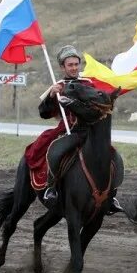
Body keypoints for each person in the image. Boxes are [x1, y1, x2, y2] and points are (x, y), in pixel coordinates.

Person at [24, 45, 123, 213]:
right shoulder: (58, 87)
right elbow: (44, 114)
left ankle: (111, 195)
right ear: (63, 67)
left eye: (76, 64)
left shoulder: (89, 84)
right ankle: (52, 188)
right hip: (68, 131)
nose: (74, 68)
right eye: (70, 65)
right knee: (55, 152)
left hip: (90, 132)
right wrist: (50, 96)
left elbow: (97, 107)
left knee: (114, 157)